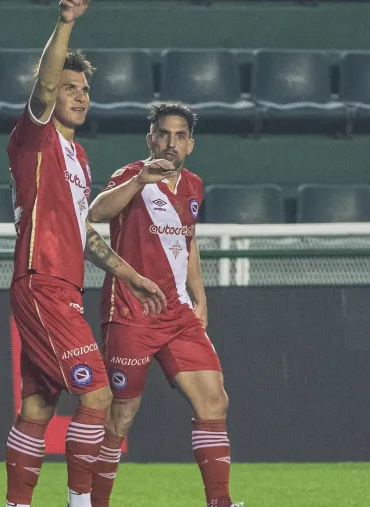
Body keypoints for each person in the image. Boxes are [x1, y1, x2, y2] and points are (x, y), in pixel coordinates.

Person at [4, 2, 168, 507]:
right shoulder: (35, 138)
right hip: (42, 280)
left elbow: (84, 235)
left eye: (84, 90)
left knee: (38, 404)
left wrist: (131, 276)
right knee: (97, 394)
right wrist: (67, 22)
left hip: (64, 285)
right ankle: (82, 504)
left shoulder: (78, 156)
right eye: (69, 88)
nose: (78, 96)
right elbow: (44, 87)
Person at [86, 103, 242, 507]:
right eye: (163, 134)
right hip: (131, 312)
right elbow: (96, 212)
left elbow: (188, 242)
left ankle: (220, 502)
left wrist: (200, 295)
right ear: (150, 139)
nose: (171, 143)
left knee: (214, 400)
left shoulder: (193, 185)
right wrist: (140, 180)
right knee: (121, 415)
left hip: (177, 314)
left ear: (190, 144)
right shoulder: (131, 175)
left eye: (179, 136)